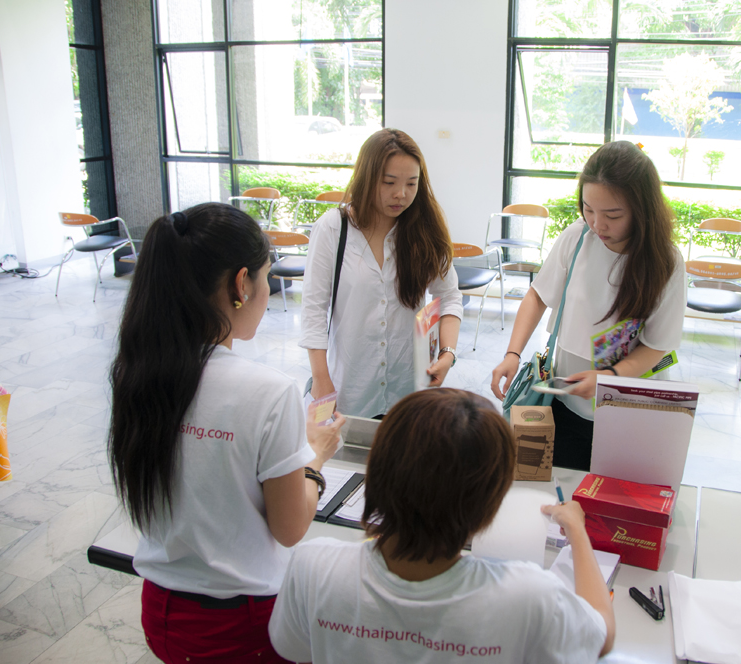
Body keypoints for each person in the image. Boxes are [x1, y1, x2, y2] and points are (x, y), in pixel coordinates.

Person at [108, 203, 344, 663]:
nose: (267, 292)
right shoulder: (268, 392)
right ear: (241, 284)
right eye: (267, 277)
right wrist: (314, 457)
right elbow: (290, 528)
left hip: (161, 611)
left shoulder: (136, 374)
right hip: (242, 624)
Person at [268, 388, 615, 663]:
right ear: (489, 506)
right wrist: (578, 532)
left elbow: (294, 648)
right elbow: (601, 636)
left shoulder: (313, 566)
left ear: (376, 474)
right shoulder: (530, 597)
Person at [491, 141, 686, 471]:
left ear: (643, 209)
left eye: (613, 215)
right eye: (588, 209)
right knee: (561, 485)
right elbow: (538, 296)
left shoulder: (666, 262)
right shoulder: (577, 237)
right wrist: (513, 353)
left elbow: (657, 346)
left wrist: (609, 377)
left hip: (629, 410)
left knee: (616, 493)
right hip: (567, 404)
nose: (598, 224)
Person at [299, 128, 463, 418]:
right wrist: (321, 378)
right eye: (389, 182)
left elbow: (449, 297)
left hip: (409, 385)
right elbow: (313, 308)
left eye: (411, 183)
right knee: (344, 447)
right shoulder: (332, 228)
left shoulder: (424, 231)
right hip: (349, 387)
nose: (401, 194)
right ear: (367, 178)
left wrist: (447, 353)